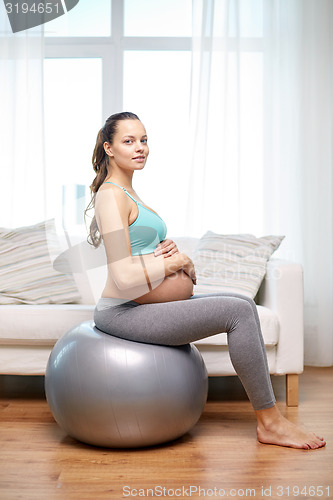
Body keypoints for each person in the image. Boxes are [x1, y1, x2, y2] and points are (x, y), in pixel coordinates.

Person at [86, 111, 326, 450]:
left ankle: (271, 420)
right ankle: (270, 423)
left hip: (140, 304)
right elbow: (123, 277)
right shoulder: (111, 195)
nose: (140, 148)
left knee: (243, 303)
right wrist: (178, 263)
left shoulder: (129, 192)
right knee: (238, 313)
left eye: (144, 140)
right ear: (109, 148)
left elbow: (135, 253)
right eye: (129, 141)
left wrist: (162, 250)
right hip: (122, 311)